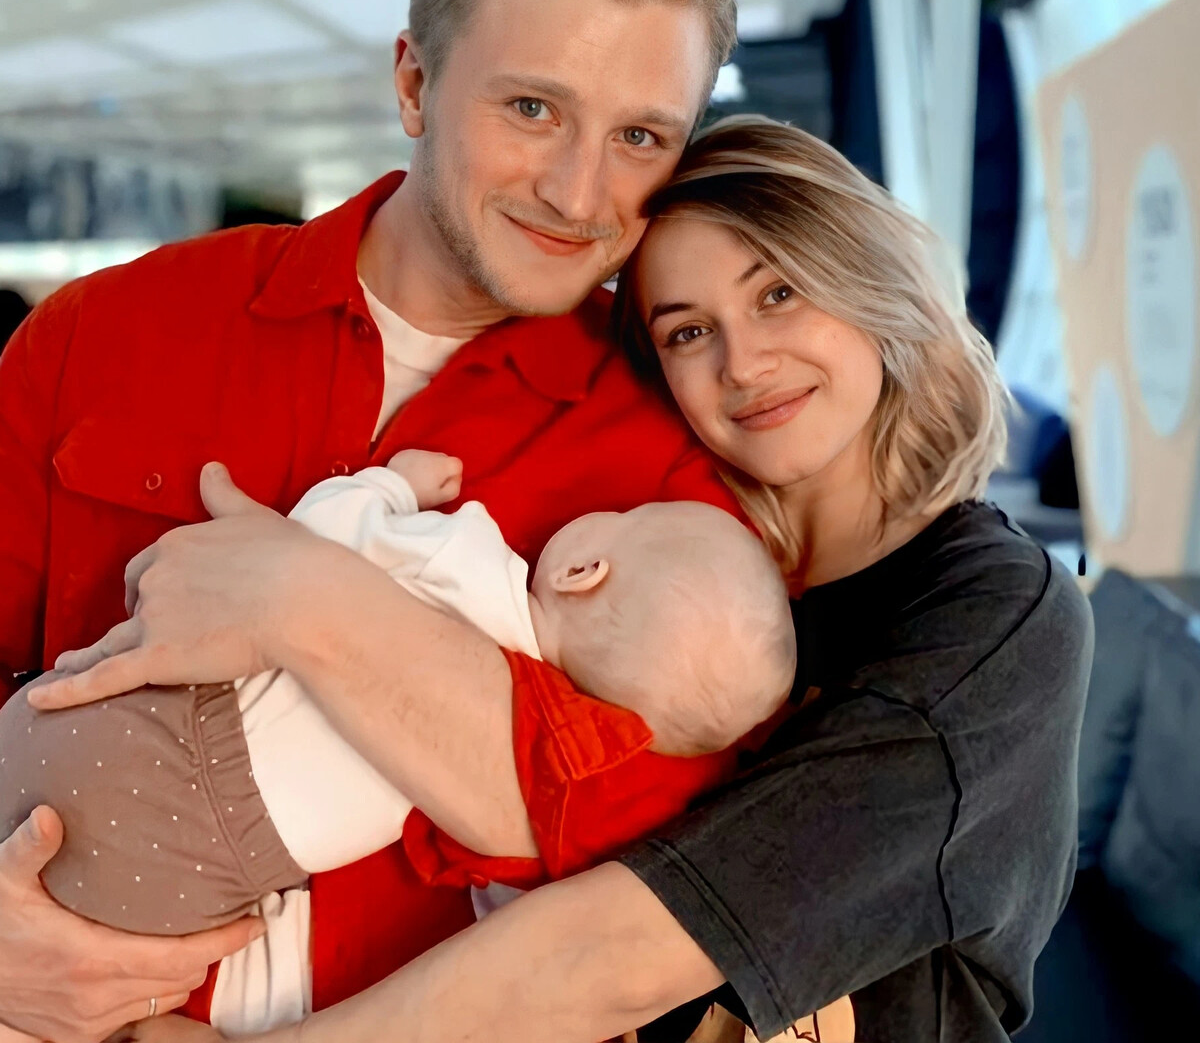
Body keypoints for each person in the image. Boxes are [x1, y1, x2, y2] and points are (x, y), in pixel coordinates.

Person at [45, 116, 1092, 1043]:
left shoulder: (995, 617)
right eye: (689, 330)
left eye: (779, 292)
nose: (743, 362)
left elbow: (627, 945)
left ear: (870, 283)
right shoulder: (680, 557)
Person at [0, 0, 747, 1038]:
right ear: (413, 84)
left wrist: (308, 602)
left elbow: (648, 861)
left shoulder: (675, 471)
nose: (578, 193)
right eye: (533, 108)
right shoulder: (102, 335)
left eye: (641, 137)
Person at [4, 448, 793, 949]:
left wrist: (390, 485)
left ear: (583, 571)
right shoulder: (547, 757)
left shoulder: (467, 561)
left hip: (154, 746)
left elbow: (315, 539)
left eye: (626, 517)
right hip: (204, 879)